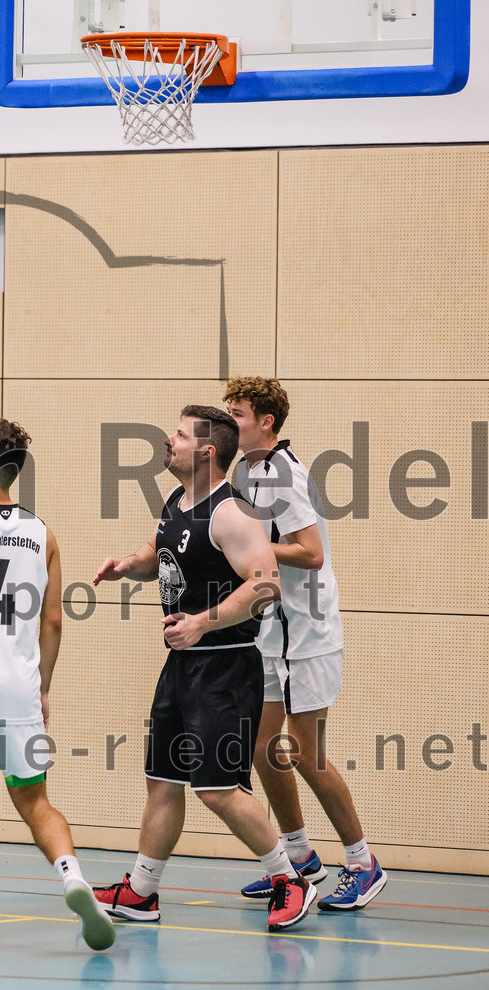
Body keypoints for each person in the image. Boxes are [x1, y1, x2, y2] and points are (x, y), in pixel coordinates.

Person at [91, 406, 317, 933]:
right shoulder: (177, 501)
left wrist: (203, 623)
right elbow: (161, 552)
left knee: (216, 790)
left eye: (178, 434)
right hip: (181, 666)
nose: (167, 441)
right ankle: (141, 892)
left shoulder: (231, 513)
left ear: (207, 450)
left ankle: (289, 879)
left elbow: (265, 586)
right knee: (162, 781)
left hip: (224, 667)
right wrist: (130, 565)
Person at [0, 418, 115, 952]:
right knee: (35, 802)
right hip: (18, 691)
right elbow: (53, 620)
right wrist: (43, 687)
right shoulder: (44, 534)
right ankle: (73, 877)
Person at [224, 377, 388, 910]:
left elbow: (310, 551)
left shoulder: (281, 473)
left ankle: (363, 863)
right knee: (263, 748)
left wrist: (255, 546)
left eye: (240, 413)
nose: (231, 422)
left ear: (267, 421)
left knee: (305, 751)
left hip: (308, 633)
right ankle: (298, 857)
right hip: (274, 632)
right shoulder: (248, 472)